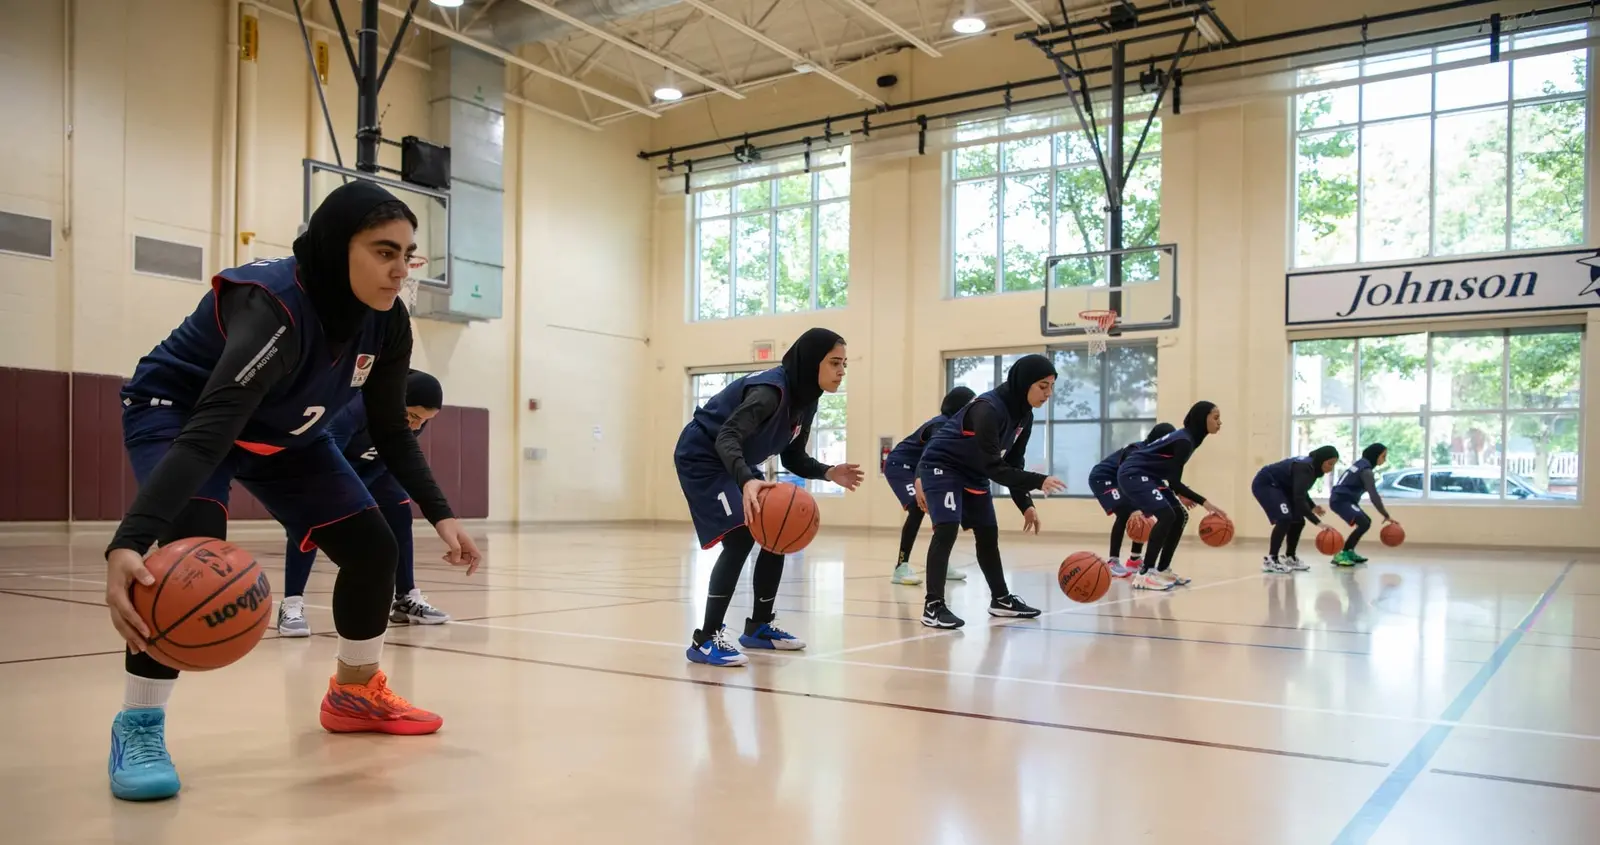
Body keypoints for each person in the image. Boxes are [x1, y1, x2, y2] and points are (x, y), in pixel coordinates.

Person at [102, 182, 482, 802]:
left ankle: (355, 694)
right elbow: (206, 438)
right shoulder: (273, 307)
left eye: (408, 255)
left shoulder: (388, 321)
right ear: (337, 247)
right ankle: (138, 724)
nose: (399, 270)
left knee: (372, 547)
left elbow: (390, 429)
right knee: (186, 557)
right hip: (184, 412)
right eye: (384, 251)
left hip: (285, 430)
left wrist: (440, 513)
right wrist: (130, 541)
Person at [675, 328, 864, 667]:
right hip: (703, 454)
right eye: (835, 363)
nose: (841, 371)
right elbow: (727, 436)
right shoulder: (769, 393)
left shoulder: (807, 400)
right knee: (741, 536)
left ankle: (759, 627)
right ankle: (705, 639)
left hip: (734, 459)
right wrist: (747, 480)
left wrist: (827, 471)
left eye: (845, 364)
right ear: (811, 362)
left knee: (777, 525)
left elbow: (792, 457)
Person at [276, 369, 451, 637]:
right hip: (327, 466)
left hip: (373, 470)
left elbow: (394, 456)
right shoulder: (355, 409)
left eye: (424, 421)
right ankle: (291, 604)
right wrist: (352, 495)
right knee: (310, 521)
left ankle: (405, 599)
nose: (416, 426)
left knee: (399, 509)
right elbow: (326, 453)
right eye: (414, 416)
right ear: (396, 399)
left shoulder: (413, 422)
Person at [915, 354, 1066, 629]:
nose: (1049, 393)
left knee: (988, 533)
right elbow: (995, 467)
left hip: (975, 472)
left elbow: (1013, 464)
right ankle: (933, 605)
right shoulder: (988, 409)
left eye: (1052, 386)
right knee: (946, 528)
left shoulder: (1025, 416)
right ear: (1024, 383)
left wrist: (1026, 505)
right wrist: (1039, 480)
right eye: (1043, 386)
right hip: (943, 466)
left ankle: (1001, 599)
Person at [1117, 402, 1227, 591]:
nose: (1220, 422)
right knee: (1167, 515)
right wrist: (1205, 503)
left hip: (1151, 476)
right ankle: (1145, 574)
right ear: (1202, 419)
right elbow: (1175, 482)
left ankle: (1162, 570)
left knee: (1179, 515)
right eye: (1216, 418)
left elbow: (1170, 476)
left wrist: (1182, 495)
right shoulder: (1185, 440)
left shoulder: (1189, 438)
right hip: (1133, 473)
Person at [884, 386, 977, 586]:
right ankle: (901, 568)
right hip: (900, 466)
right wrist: (920, 484)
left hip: (921, 468)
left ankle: (941, 563)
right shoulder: (941, 426)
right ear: (961, 408)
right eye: (972, 405)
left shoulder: (958, 429)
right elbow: (927, 456)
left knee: (944, 513)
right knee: (917, 509)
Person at [1088, 422, 1175, 578]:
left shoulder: (1154, 455)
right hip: (1104, 478)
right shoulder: (1136, 451)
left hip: (1124, 480)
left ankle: (1134, 560)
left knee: (1145, 512)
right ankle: (1113, 561)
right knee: (1124, 512)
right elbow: (1125, 475)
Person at [1252, 445, 1340, 573]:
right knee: (1284, 518)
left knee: (1298, 521)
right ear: (1322, 460)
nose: (1331, 468)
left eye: (1334, 465)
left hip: (1281, 487)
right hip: (1266, 484)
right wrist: (1318, 522)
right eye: (1330, 464)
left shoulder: (1313, 468)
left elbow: (1301, 492)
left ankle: (1290, 557)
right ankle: (1271, 560)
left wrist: (1312, 506)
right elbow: (1298, 498)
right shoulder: (1305, 467)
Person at [1327, 443, 1397, 566]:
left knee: (1366, 522)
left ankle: (1349, 551)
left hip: (1344, 499)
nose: (1384, 460)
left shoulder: (1361, 464)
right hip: (1341, 500)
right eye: (1383, 456)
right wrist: (1385, 514)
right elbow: (1373, 496)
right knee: (1364, 522)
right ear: (1375, 455)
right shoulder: (1366, 471)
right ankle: (1341, 554)